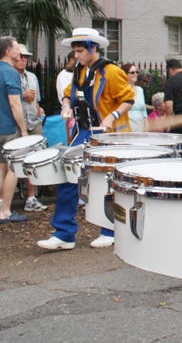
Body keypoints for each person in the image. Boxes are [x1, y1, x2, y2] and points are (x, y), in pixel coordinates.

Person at [37, 28, 134, 251]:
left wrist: (112, 116)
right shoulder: (80, 71)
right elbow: (70, 92)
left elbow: (128, 98)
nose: (76, 56)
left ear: (93, 48)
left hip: (110, 136)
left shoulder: (111, 71)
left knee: (105, 181)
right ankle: (64, 233)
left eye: (80, 51)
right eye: (75, 51)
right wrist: (66, 105)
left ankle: (110, 230)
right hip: (84, 132)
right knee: (68, 175)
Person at [0, 36, 28, 224]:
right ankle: (6, 211)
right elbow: (15, 103)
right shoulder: (11, 73)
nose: (20, 52)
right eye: (17, 49)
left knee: (0, 168)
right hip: (9, 127)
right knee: (13, 168)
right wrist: (24, 130)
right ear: (8, 52)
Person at [15, 45, 47, 212]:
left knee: (33, 161)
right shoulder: (9, 77)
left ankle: (31, 197)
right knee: (14, 162)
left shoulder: (32, 77)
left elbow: (36, 100)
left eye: (26, 57)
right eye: (20, 56)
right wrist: (22, 95)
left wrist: (39, 112)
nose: (23, 60)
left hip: (34, 124)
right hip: (16, 125)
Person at [123, 63, 147, 132]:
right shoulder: (122, 90)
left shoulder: (140, 90)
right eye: (132, 72)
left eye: (136, 72)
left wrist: (147, 125)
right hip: (126, 129)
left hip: (141, 129)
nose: (135, 74)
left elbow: (143, 110)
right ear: (125, 74)